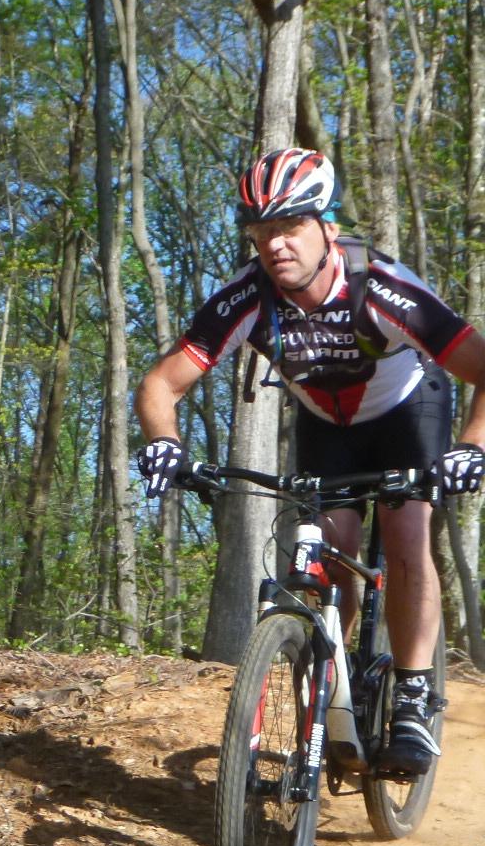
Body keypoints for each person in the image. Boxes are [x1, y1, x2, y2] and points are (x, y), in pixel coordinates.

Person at [134, 147, 485, 776]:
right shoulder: (247, 297)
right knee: (327, 555)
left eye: (290, 227)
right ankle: (327, 695)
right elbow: (163, 382)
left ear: (327, 227)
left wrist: (474, 446)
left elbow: (483, 368)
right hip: (328, 426)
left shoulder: (385, 288)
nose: (275, 246)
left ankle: (410, 694)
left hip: (409, 412)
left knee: (406, 534)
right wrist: (166, 442)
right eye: (261, 232)